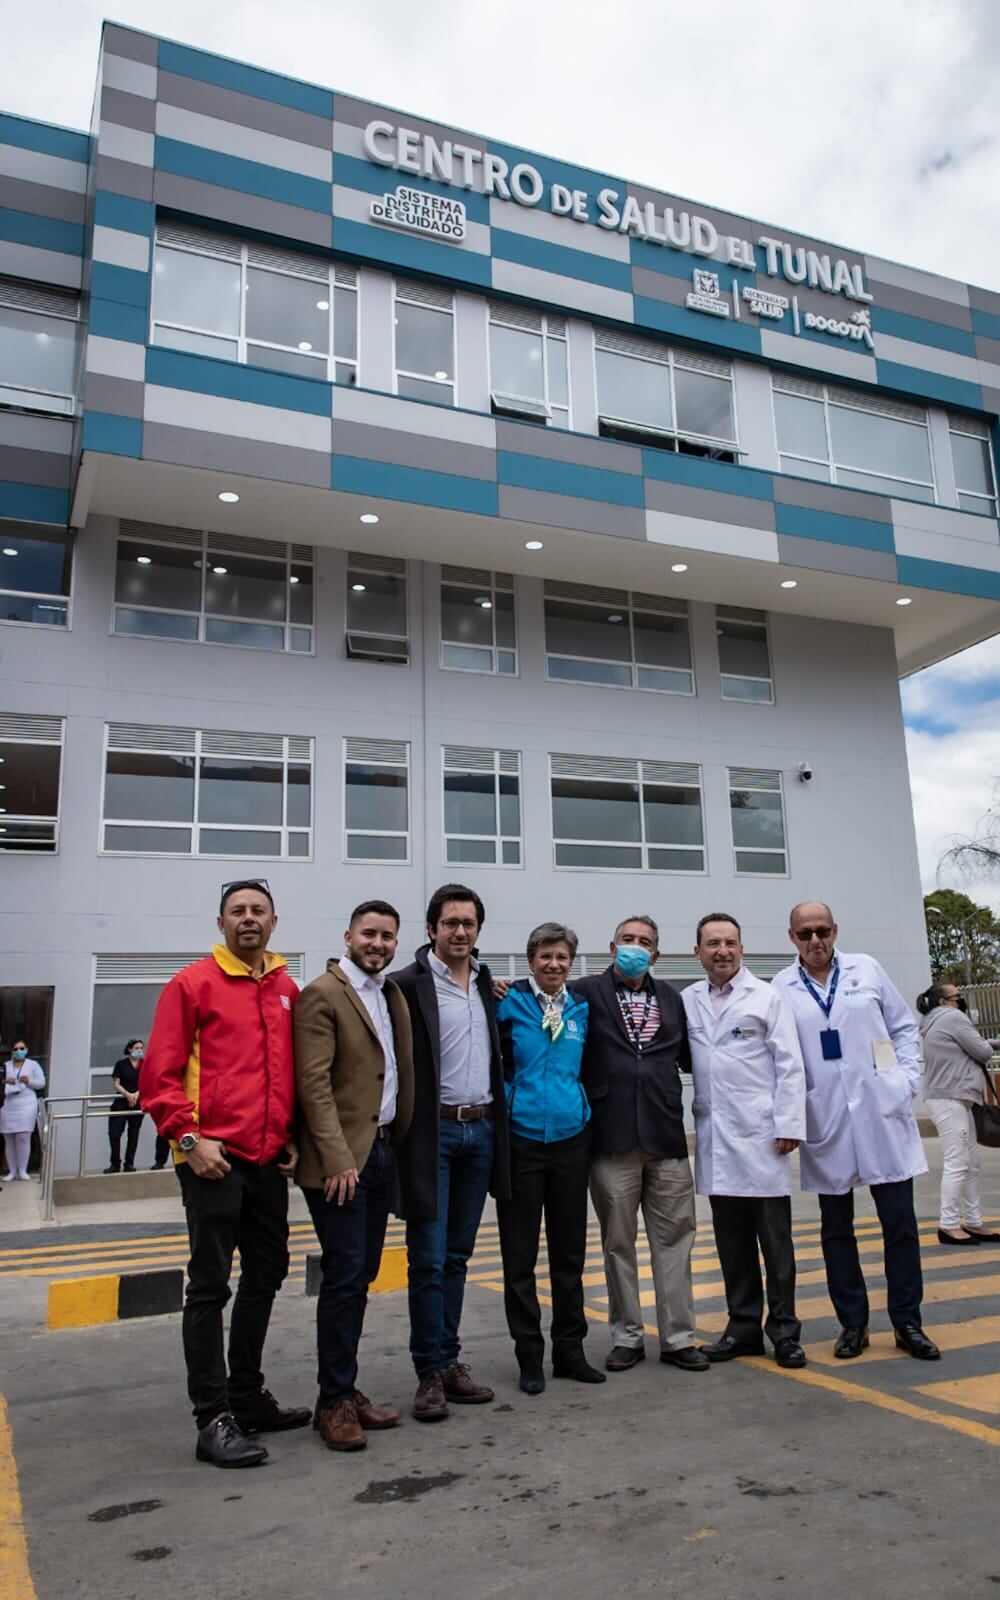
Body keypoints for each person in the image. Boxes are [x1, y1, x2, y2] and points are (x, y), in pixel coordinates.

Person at [143, 879, 311, 1467]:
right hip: (211, 1159)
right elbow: (158, 1076)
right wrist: (188, 1140)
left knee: (267, 1275)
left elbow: (286, 1073)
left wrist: (290, 1136)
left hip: (267, 1159)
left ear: (273, 922)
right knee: (210, 1286)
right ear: (220, 924)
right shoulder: (192, 984)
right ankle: (211, 1417)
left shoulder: (286, 988)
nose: (248, 919)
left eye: (257, 911)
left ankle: (246, 1396)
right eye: (237, 911)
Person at [773, 902, 940, 1362]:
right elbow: (781, 1058)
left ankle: (907, 1322)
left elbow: (905, 1027)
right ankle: (853, 1324)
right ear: (791, 938)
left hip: (882, 1115)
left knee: (900, 1226)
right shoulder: (781, 988)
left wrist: (905, 1082)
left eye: (822, 931)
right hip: (826, 1121)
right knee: (836, 1231)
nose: (815, 941)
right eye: (805, 934)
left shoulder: (866, 969)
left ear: (835, 930)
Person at [294, 900, 415, 1452]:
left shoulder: (388, 993)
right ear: (348, 936)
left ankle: (343, 1387)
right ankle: (334, 1402)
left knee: (361, 1274)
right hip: (343, 1164)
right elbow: (314, 1085)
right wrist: (337, 1157)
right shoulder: (323, 993)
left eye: (388, 936)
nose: (379, 943)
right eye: (369, 934)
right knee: (344, 1276)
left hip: (383, 1151)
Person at [394, 884, 511, 1422]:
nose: (459, 932)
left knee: (459, 1257)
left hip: (481, 1133)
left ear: (478, 931)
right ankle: (429, 1371)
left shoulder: (490, 985)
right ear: (431, 930)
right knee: (428, 1258)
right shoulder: (404, 987)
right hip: (432, 1137)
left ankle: (450, 1361)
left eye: (468, 923)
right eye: (449, 923)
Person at [573, 916, 708, 1374]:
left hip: (666, 1136)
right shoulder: (585, 992)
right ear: (612, 946)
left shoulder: (673, 998)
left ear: (657, 953)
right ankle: (627, 1336)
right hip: (610, 1138)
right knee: (618, 1243)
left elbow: (692, 1057)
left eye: (644, 942)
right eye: (628, 940)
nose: (635, 947)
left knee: (675, 1240)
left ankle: (678, 1337)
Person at [683, 914, 807, 1368]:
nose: (722, 951)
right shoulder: (688, 1000)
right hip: (717, 1140)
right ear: (697, 952)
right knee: (731, 1243)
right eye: (712, 943)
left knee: (776, 1245)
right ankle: (743, 1328)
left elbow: (790, 1064)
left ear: (742, 948)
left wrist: (789, 1123)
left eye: (730, 942)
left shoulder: (766, 998)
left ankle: (786, 1332)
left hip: (763, 1138)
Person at [495, 922, 603, 1395]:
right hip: (520, 1142)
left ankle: (570, 1350)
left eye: (562, 957)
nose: (553, 965)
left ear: (571, 962)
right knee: (519, 1257)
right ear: (531, 959)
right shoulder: (508, 1003)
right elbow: (491, 1060)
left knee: (569, 1253)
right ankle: (528, 1355)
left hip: (569, 1140)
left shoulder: (582, 1007)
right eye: (545, 956)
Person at [917, 982, 1000, 1247]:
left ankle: (973, 1220)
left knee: (971, 1162)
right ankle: (949, 1224)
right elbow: (982, 1051)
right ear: (943, 1001)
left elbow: (973, 1044)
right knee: (958, 1161)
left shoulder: (936, 1021)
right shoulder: (953, 1017)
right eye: (957, 997)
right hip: (950, 1096)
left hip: (953, 1096)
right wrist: (990, 1046)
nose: (961, 1000)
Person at [1, 1041, 45, 1181]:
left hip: (26, 1103)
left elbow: (41, 1083)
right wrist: (6, 1082)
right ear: (12, 1051)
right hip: (8, 1103)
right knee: (9, 1137)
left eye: (21, 1048)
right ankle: (12, 1171)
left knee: (23, 1136)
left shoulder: (33, 1065)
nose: (18, 1051)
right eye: (16, 1049)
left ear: (26, 1049)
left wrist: (29, 1081)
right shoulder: (5, 1066)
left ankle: (22, 1170)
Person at [105, 1038, 145, 1174]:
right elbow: (116, 1083)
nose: (139, 1051)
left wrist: (136, 1095)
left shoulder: (145, 1064)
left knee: (133, 1134)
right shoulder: (121, 1064)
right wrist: (128, 1095)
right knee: (114, 1133)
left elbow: (147, 1082)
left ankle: (130, 1163)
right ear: (130, 1049)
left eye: (141, 1048)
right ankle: (115, 1163)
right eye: (137, 1048)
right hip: (121, 1102)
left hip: (138, 1102)